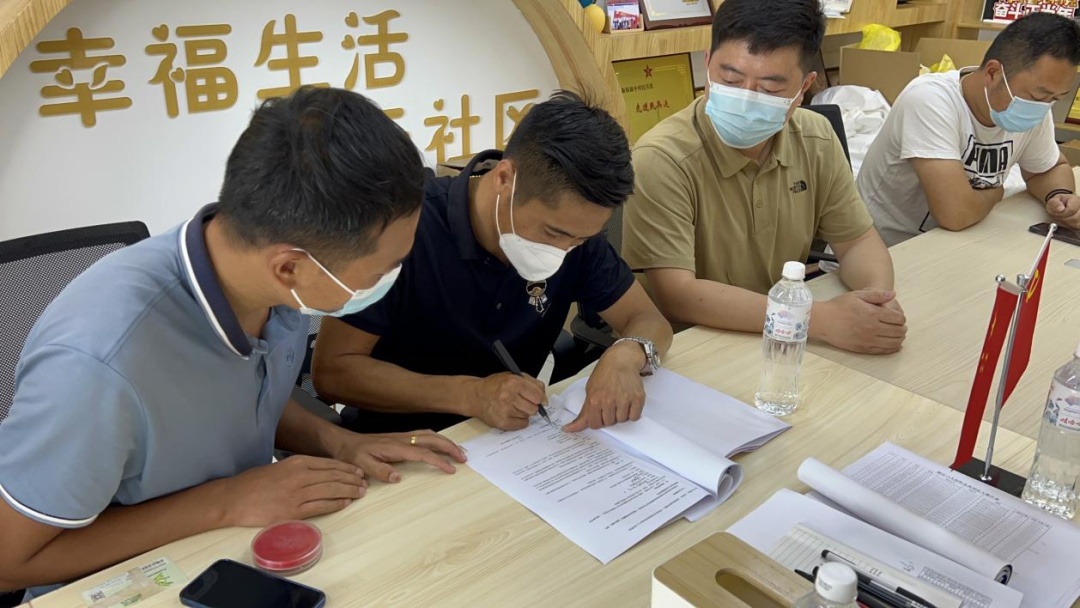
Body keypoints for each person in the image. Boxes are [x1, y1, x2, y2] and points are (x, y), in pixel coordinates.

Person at [0, 87, 466, 595]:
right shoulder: (97, 366)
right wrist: (226, 501)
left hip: (229, 549)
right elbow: (10, 560)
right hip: (121, 585)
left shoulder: (271, 286)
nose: (391, 278)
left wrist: (338, 442)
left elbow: (241, 397)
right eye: (382, 269)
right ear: (288, 267)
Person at [312, 91, 673, 433]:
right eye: (553, 233)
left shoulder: (577, 236)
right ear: (503, 178)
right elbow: (332, 372)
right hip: (401, 442)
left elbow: (648, 320)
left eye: (580, 240)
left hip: (511, 439)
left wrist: (628, 353)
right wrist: (470, 395)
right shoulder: (406, 229)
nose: (564, 250)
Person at [620, 0, 906, 355]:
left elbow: (857, 242)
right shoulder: (662, 159)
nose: (745, 99)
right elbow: (677, 294)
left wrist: (875, 302)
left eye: (770, 89)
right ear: (707, 63)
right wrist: (815, 319)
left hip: (779, 336)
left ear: (804, 87)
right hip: (696, 346)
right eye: (730, 79)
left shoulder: (816, 138)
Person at [859, 13, 1080, 247]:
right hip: (890, 247)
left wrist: (1059, 196)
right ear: (993, 73)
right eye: (1038, 95)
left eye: (1056, 98)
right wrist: (995, 193)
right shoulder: (929, 100)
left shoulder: (1035, 107)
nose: (1044, 106)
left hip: (961, 240)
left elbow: (1049, 168)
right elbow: (956, 214)